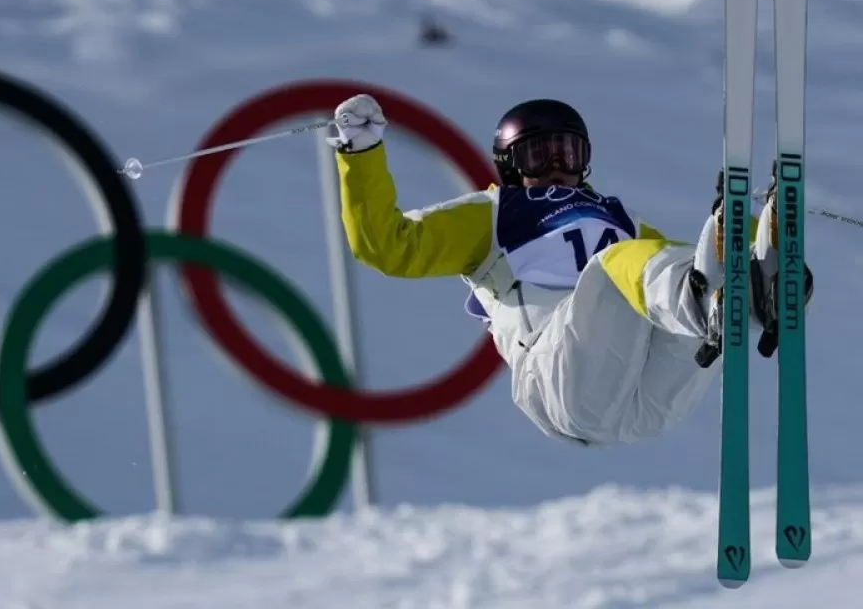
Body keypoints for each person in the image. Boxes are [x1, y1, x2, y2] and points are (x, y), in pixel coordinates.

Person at [329, 93, 812, 447]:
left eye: (569, 152)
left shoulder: (617, 218)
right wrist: (362, 153)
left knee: (670, 271)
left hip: (645, 405)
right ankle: (708, 301)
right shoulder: (493, 214)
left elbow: (679, 262)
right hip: (557, 380)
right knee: (618, 267)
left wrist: (746, 231)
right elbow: (389, 247)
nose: (558, 164)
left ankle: (755, 290)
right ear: (511, 164)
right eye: (540, 154)